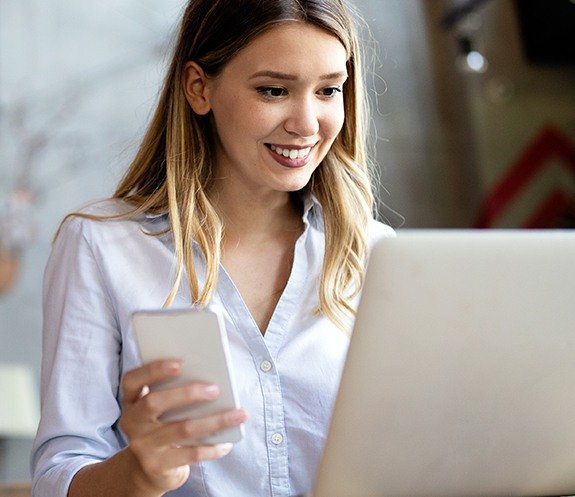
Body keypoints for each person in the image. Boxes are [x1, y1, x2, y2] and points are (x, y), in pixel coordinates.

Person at [31, 0, 394, 496]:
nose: (307, 123)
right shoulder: (102, 246)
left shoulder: (374, 253)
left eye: (329, 90)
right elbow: (60, 472)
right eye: (273, 90)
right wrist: (143, 471)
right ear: (199, 88)